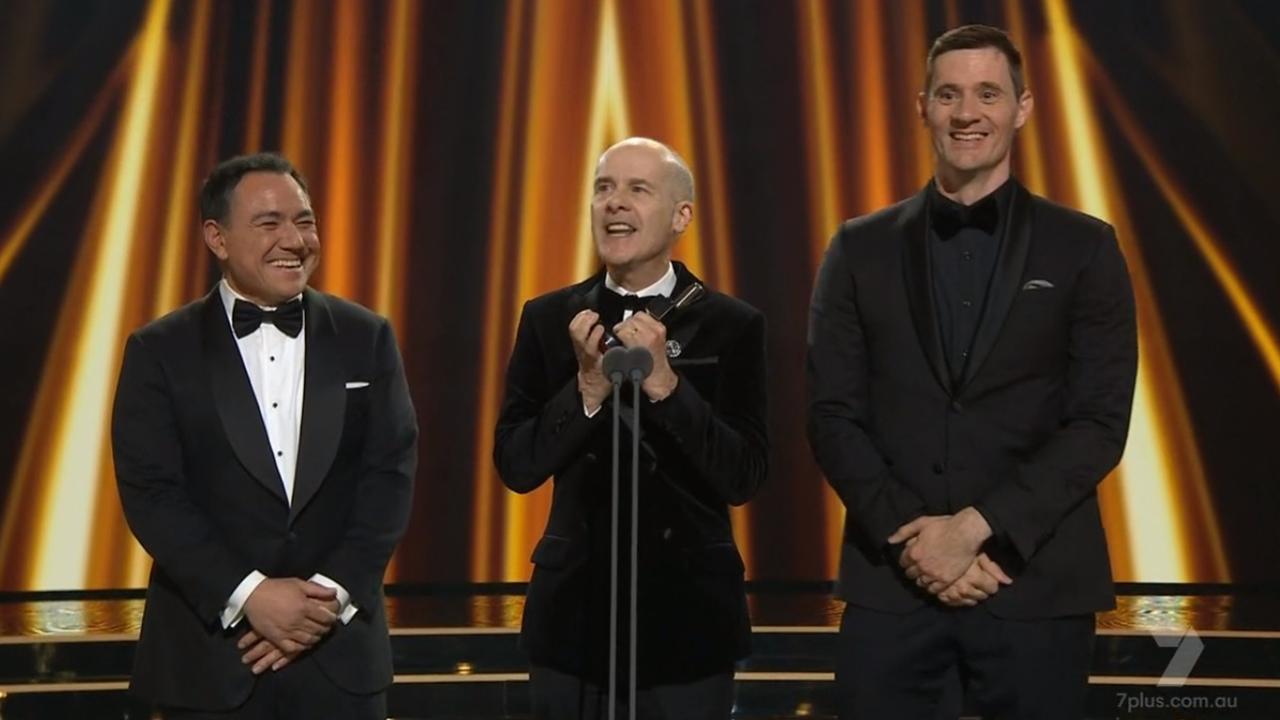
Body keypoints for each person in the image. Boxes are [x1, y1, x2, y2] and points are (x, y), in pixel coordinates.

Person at [806, 24, 1138, 719]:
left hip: (1034, 579)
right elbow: (832, 414)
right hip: (892, 586)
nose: (967, 113)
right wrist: (920, 541)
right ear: (921, 106)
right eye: (950, 95)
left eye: (988, 93)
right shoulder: (857, 247)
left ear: (1022, 106)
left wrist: (978, 529)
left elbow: (1099, 422)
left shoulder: (1085, 247)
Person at [112, 152, 417, 719]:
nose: (294, 239)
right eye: (269, 222)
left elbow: (389, 477)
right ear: (217, 238)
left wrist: (323, 601)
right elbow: (152, 494)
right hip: (210, 665)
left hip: (340, 660)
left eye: (304, 221)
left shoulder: (366, 336)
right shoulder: (159, 350)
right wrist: (251, 594)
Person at [494, 137, 768, 719]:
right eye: (603, 189)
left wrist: (668, 387)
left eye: (637, 190)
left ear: (681, 215)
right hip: (573, 618)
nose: (614, 204)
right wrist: (587, 388)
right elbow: (516, 465)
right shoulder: (549, 319)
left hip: (690, 618)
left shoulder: (733, 326)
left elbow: (743, 474)